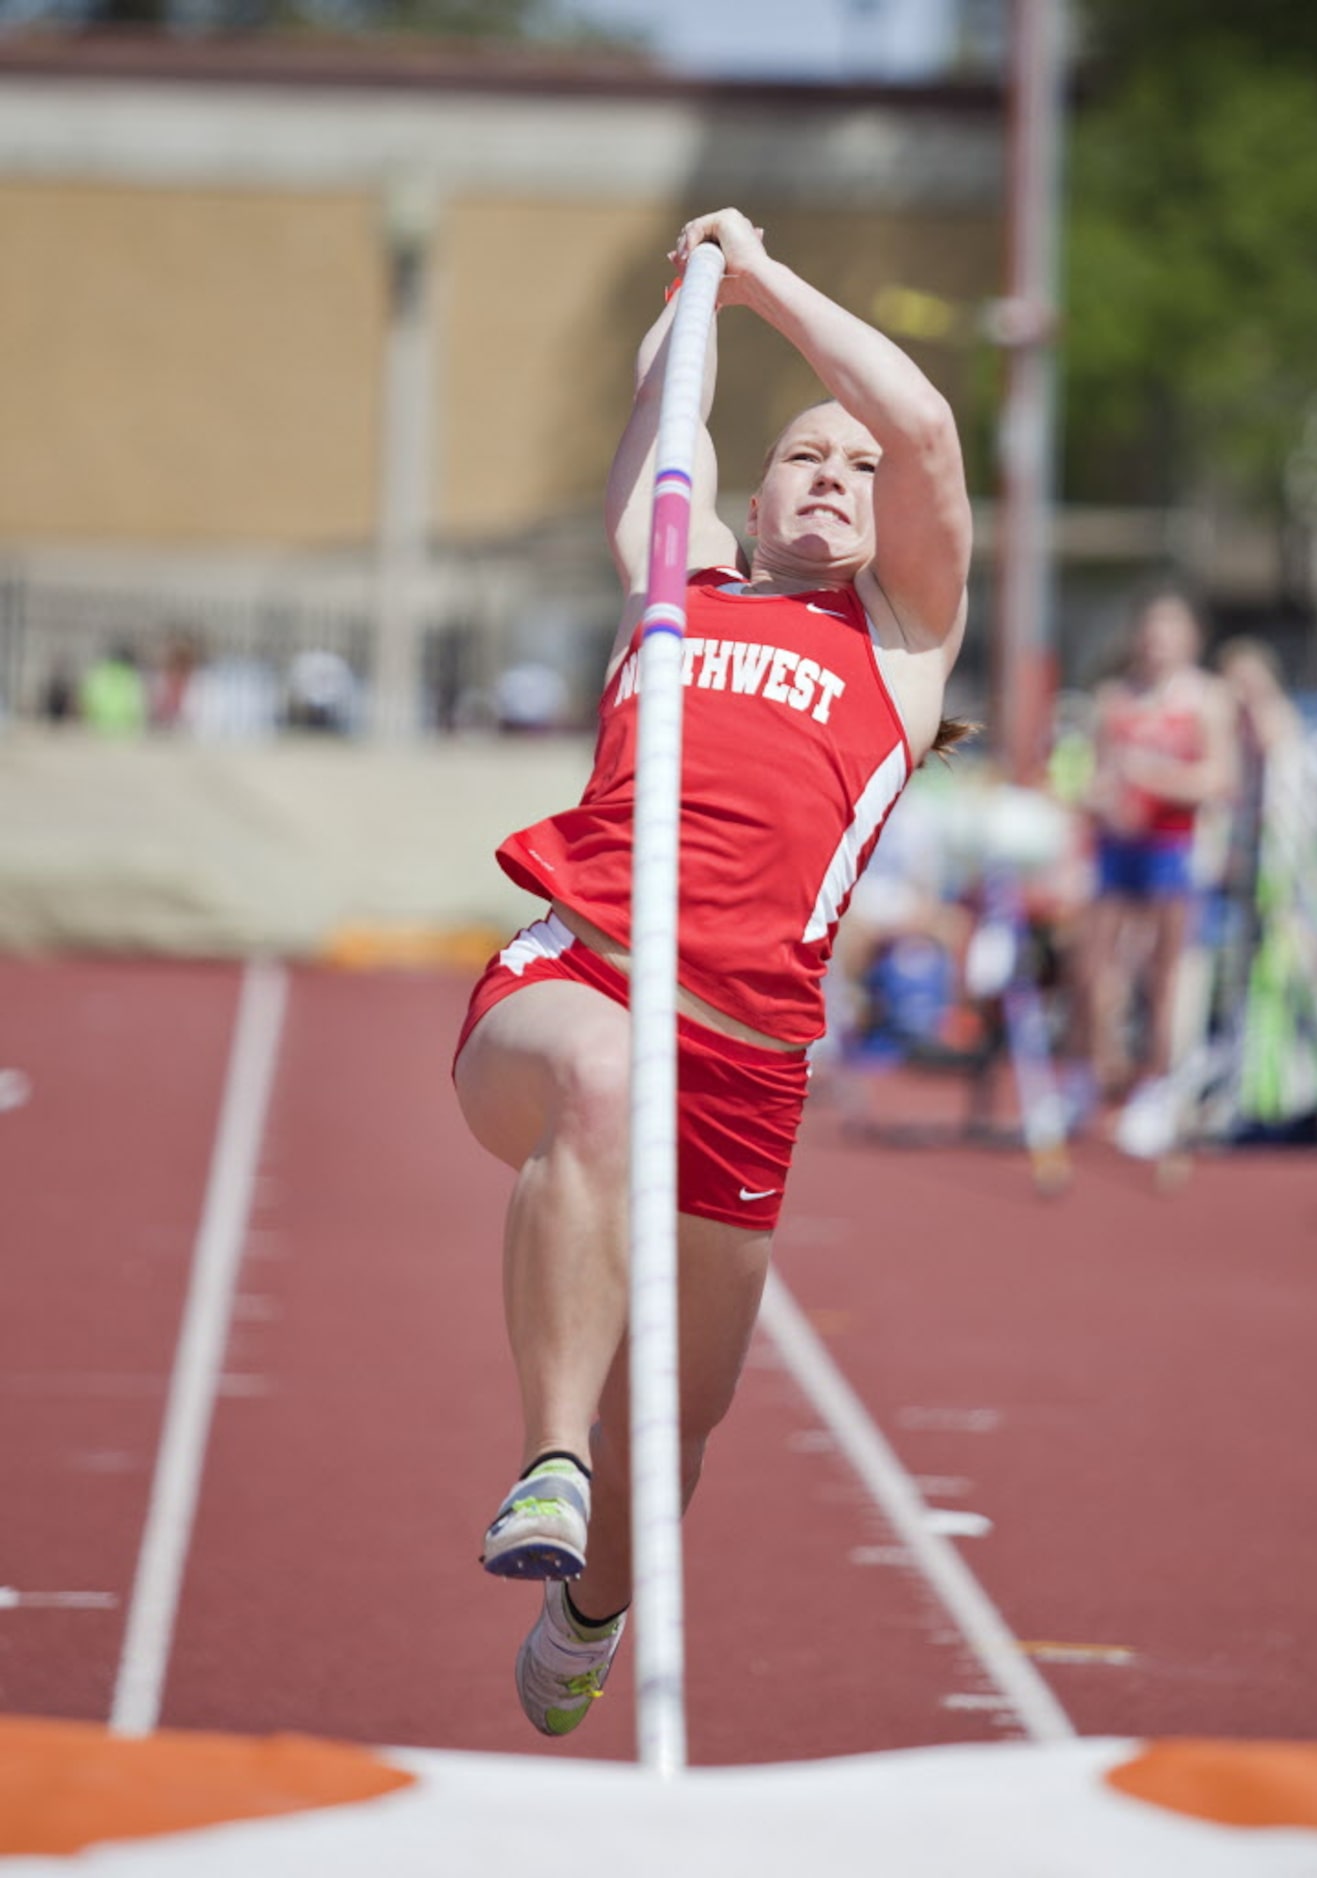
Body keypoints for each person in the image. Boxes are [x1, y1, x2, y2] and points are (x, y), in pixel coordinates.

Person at [452, 209, 972, 1737]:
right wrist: (694, 289)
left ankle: (593, 1597)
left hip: (746, 1055)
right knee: (597, 1083)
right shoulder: (678, 591)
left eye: (856, 469)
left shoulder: (899, 636)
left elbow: (924, 427)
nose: (838, 472)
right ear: (748, 490)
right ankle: (547, 1459)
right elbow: (654, 402)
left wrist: (761, 281)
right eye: (806, 454)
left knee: (675, 1423)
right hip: (581, 974)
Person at [1081, 589, 1236, 1143]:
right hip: (1117, 847)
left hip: (1172, 847)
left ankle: (1156, 1088)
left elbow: (1220, 780)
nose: (1157, 640)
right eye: (1150, 627)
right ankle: (1103, 1076)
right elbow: (1096, 777)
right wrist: (1101, 797)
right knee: (1097, 969)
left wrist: (1155, 776)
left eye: (1169, 628)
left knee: (1164, 975)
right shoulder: (1114, 698)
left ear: (1190, 637)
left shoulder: (1206, 700)